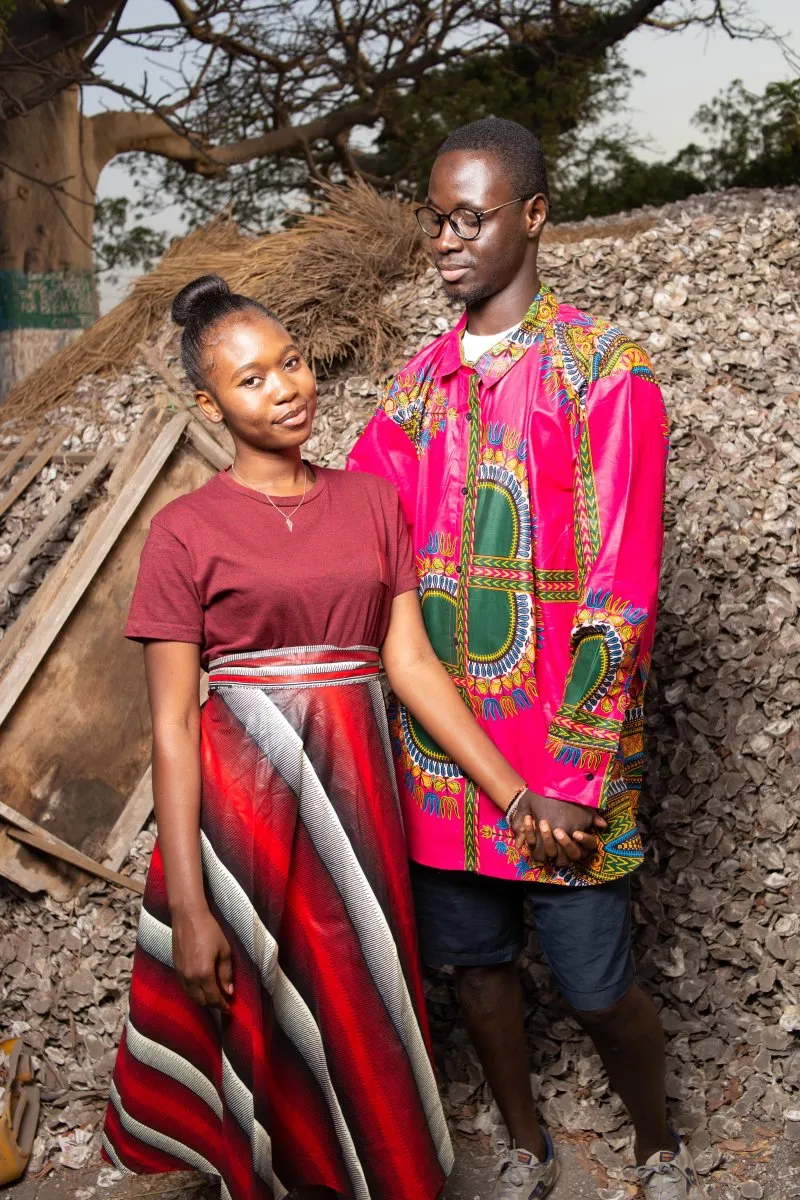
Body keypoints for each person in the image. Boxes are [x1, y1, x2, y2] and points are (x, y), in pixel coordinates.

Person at [101, 274, 605, 1200]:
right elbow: (172, 724)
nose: (285, 387)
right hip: (238, 822)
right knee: (253, 1013)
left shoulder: (373, 503)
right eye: (251, 380)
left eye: (290, 362)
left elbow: (411, 668)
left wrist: (513, 791)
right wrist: (192, 909)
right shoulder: (181, 535)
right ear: (209, 404)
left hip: (358, 801)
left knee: (358, 1001)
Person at [348, 118, 707, 1200]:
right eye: (435, 221)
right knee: (477, 973)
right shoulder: (410, 393)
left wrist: (566, 778)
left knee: (597, 991)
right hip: (444, 764)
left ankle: (656, 1142)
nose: (447, 242)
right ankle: (523, 1140)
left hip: (557, 774)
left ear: (534, 216)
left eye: (473, 217)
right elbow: (366, 546)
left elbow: (620, 598)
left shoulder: (603, 374)